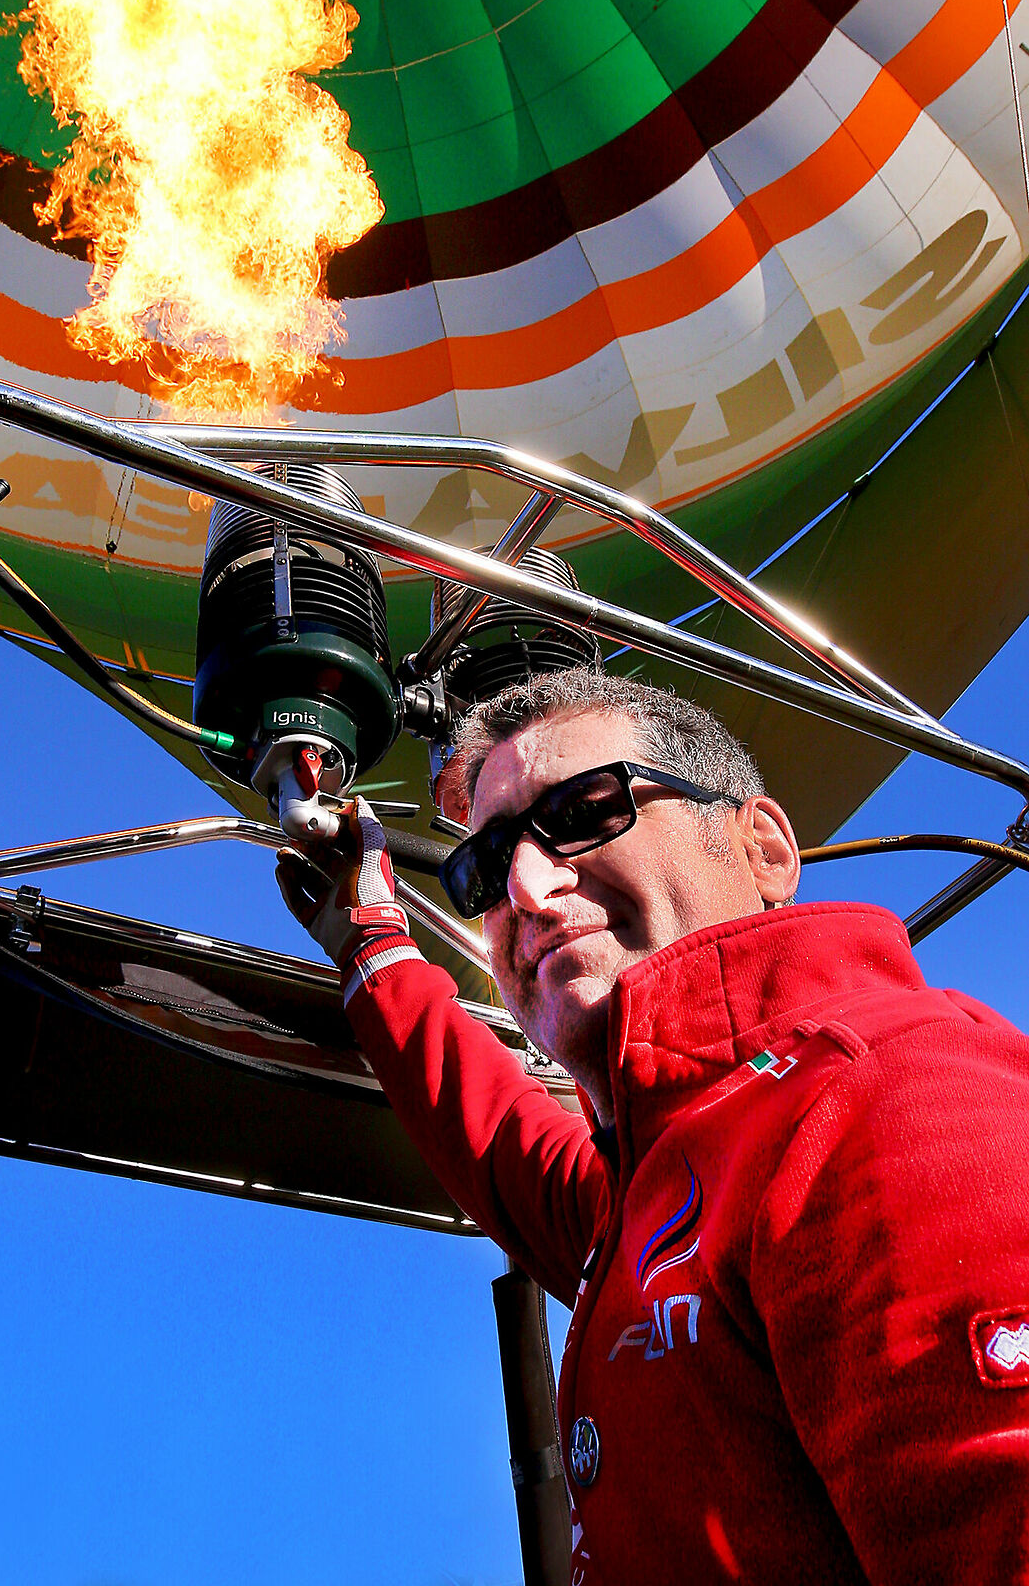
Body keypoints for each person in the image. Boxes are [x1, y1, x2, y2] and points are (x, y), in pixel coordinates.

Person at [278, 667, 1029, 1583]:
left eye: (585, 809)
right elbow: (507, 1146)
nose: (522, 885)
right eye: (481, 867)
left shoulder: (884, 1089)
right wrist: (372, 944)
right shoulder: (665, 1183)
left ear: (762, 849)